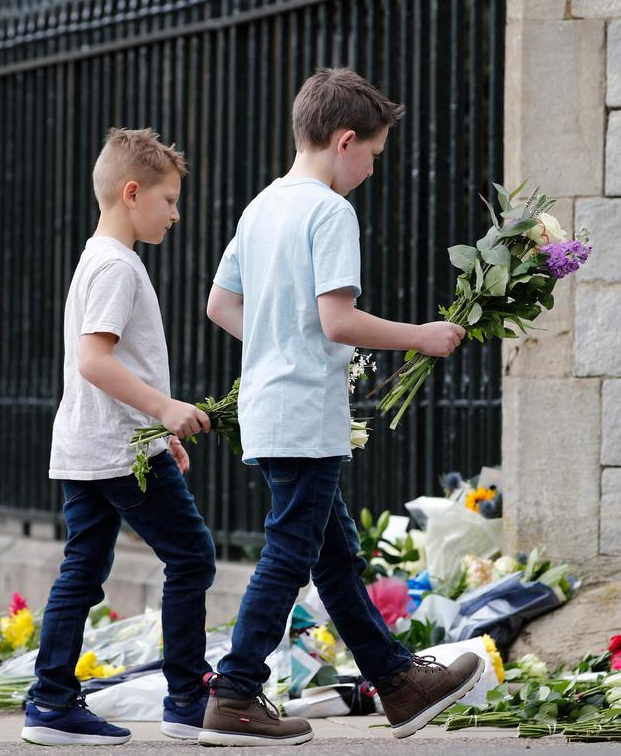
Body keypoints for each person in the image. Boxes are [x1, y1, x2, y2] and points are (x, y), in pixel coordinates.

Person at [201, 68, 482, 747]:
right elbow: (336, 319)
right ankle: (235, 693)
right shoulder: (330, 212)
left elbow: (219, 304)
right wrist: (420, 335)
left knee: (332, 556)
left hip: (272, 408)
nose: (373, 172)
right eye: (375, 156)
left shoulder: (261, 206)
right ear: (347, 141)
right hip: (304, 413)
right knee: (291, 554)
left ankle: (396, 682)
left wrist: (277, 338)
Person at [22, 128, 217, 746]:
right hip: (117, 455)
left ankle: (50, 702)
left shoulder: (97, 259)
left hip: (91, 446)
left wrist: (159, 427)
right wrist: (164, 408)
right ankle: (188, 698)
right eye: (168, 199)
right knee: (192, 557)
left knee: (83, 570)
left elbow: (105, 366)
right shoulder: (117, 267)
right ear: (132, 193)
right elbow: (94, 362)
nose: (176, 212)